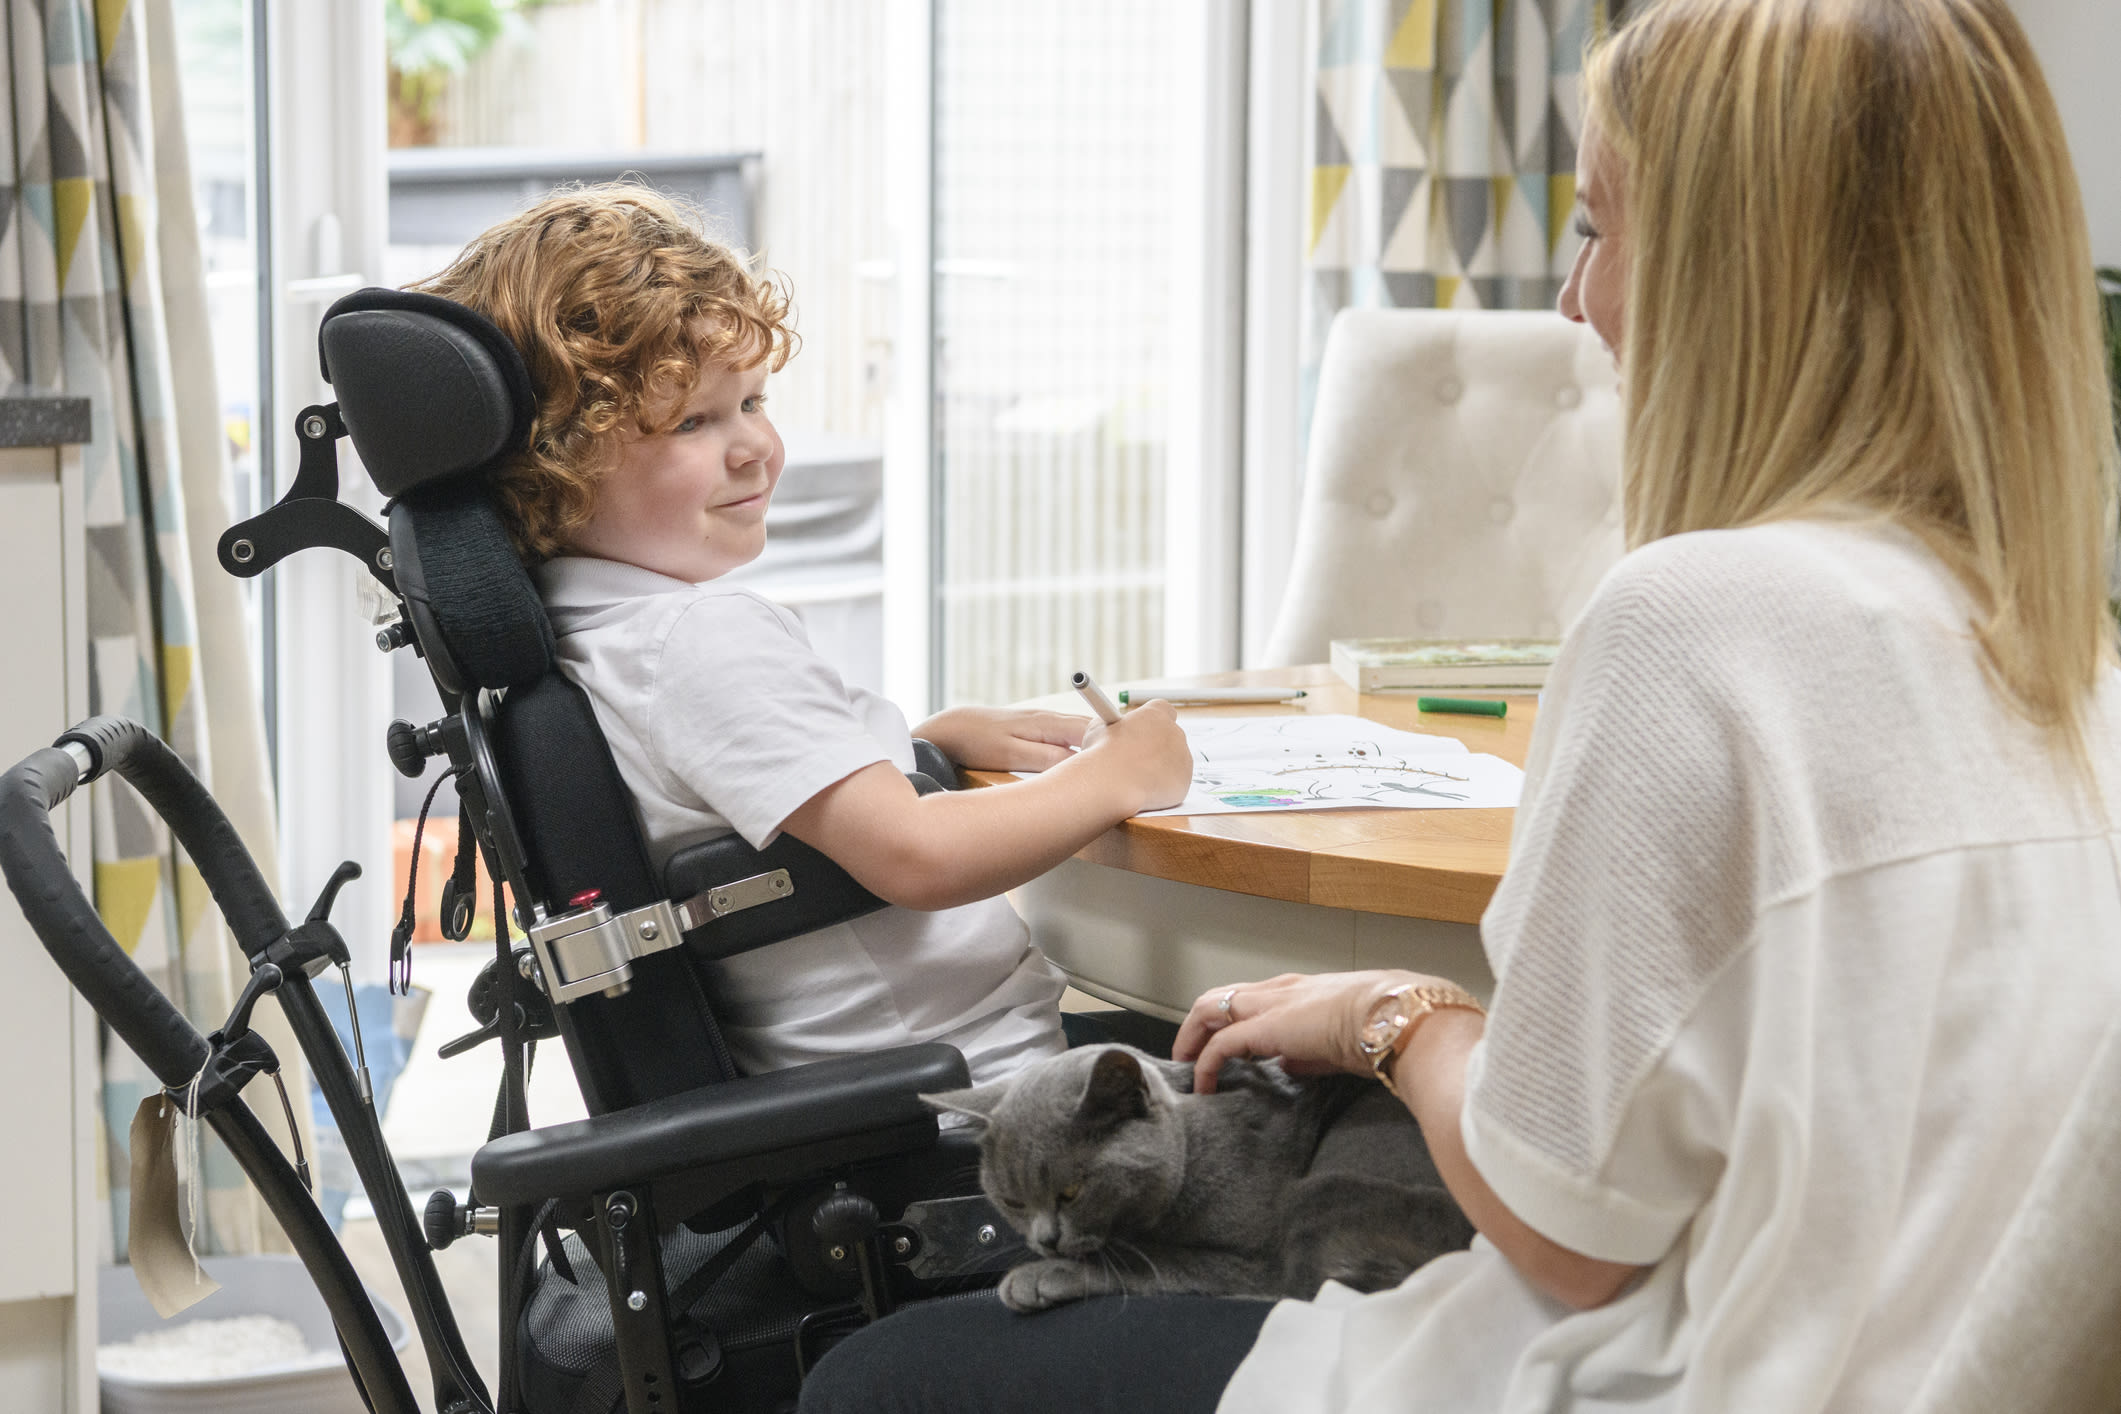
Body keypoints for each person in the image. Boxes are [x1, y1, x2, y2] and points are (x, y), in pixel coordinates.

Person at [796, 0, 2121, 1408]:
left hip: (1664, 1371)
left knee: (875, 1378)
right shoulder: (2062, 655)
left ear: (1746, 276)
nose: (1573, 301)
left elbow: (1568, 1232)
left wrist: (1397, 1016)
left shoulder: (1688, 623)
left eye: (1599, 231)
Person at [412, 187, 1193, 1082]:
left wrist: (917, 747)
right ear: (556, 461)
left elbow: (735, 803)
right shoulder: (696, 638)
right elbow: (917, 856)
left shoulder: (589, 632)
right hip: (982, 1090)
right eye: (693, 422)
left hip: (904, 1078)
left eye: (752, 401)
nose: (754, 448)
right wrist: (1117, 774)